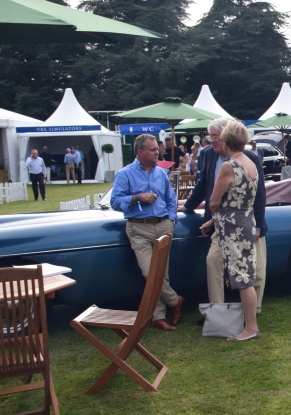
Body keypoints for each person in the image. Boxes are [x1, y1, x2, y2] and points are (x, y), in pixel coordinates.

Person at [182, 117, 268, 315]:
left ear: (226, 137)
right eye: (209, 136)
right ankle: (218, 313)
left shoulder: (248, 159)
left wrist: (258, 226)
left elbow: (259, 195)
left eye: (215, 136)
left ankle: (253, 313)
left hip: (246, 222)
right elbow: (202, 185)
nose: (211, 140)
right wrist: (187, 208)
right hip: (222, 225)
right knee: (214, 262)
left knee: (254, 270)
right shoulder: (207, 155)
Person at [110, 134, 184, 331]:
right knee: (150, 272)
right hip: (138, 229)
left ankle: (158, 317)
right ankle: (175, 301)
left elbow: (171, 198)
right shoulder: (125, 174)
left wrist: (171, 219)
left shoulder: (161, 173)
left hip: (163, 225)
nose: (157, 152)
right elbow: (115, 202)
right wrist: (137, 197)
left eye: (157, 149)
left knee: (162, 273)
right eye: (153, 150)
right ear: (140, 152)